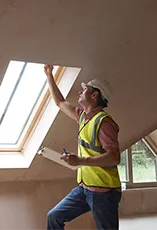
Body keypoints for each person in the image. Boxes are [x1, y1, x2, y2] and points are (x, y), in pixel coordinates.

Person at [43, 65, 122, 230]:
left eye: (84, 89)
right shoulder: (82, 117)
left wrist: (80, 160)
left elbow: (114, 157)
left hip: (104, 192)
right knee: (54, 217)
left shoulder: (104, 122)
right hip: (84, 189)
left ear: (94, 95)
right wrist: (49, 75)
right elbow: (60, 102)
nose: (80, 92)